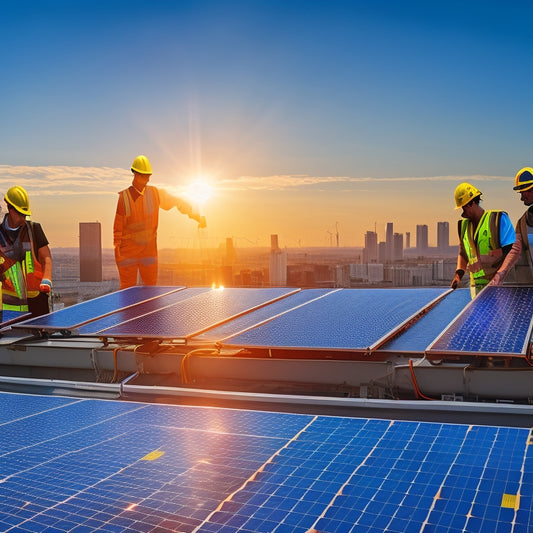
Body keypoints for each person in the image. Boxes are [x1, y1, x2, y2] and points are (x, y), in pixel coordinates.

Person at [114, 155, 206, 289]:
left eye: (148, 176)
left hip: (149, 252)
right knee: (128, 292)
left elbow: (177, 202)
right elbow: (117, 227)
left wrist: (194, 214)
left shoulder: (155, 193)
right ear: (135, 174)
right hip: (128, 253)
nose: (146, 179)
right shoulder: (124, 198)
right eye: (143, 176)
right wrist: (118, 252)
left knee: (151, 290)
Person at [450, 182, 515, 297]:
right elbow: (463, 253)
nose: (463, 213)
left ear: (473, 203)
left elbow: (512, 250)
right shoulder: (464, 227)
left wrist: (499, 275)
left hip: (499, 286)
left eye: (464, 207)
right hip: (476, 288)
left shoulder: (497, 220)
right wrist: (458, 275)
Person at [0, 186, 53, 317]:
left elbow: (46, 258)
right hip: (10, 306)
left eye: (25, 214)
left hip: (37, 301)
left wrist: (47, 279)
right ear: (10, 209)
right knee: (12, 338)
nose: (23, 218)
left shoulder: (34, 230)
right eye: (20, 214)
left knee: (40, 336)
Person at [489, 167, 533, 286]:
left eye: (524, 192)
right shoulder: (523, 222)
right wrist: (500, 274)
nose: (521, 197)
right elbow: (515, 249)